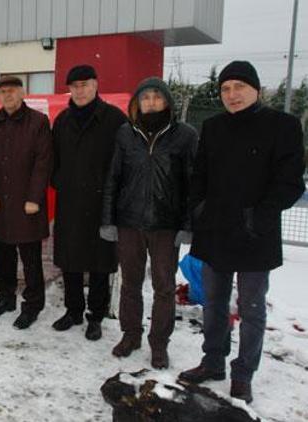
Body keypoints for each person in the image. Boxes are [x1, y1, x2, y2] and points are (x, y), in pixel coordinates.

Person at [179, 61, 305, 403]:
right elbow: (199, 175)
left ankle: (244, 373)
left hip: (255, 234)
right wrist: (199, 208)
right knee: (213, 303)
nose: (231, 95)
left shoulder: (284, 125)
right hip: (215, 230)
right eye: (225, 89)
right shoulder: (214, 126)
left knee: (251, 309)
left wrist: (257, 215)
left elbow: (290, 182)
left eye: (239, 87)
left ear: (256, 89)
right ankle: (213, 361)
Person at [100, 77, 198, 368]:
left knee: (164, 287)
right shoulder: (125, 134)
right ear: (137, 103)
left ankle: (159, 343)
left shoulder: (185, 135)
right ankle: (131, 335)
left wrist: (188, 224)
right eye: (145, 98)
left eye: (157, 97)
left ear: (167, 101)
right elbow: (113, 178)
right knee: (129, 283)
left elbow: (193, 184)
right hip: (129, 222)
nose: (151, 102)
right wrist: (108, 219)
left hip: (166, 226)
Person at [51, 65, 128, 340]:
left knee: (99, 262)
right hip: (70, 201)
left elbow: (124, 163)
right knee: (70, 259)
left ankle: (95, 316)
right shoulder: (62, 121)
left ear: (96, 85)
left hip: (102, 203)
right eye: (74, 86)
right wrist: (59, 180)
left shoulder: (115, 119)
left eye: (84, 84)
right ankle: (73, 311)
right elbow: (53, 159)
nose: (79, 90)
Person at [0, 76, 53, 329]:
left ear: (22, 93)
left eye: (12, 91)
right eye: (2, 92)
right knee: (2, 255)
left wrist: (34, 198)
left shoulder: (38, 122)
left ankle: (32, 306)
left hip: (26, 203)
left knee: (30, 258)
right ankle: (6, 298)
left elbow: (43, 163)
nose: (7, 96)